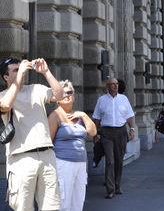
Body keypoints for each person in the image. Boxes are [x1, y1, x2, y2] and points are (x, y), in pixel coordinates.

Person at [0, 56, 64, 211]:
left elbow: (60, 96)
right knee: (23, 207)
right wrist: (19, 77)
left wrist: (46, 72)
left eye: (20, 68)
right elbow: (6, 105)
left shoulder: (36, 89)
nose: (20, 71)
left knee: (52, 207)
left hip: (47, 155)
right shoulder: (3, 95)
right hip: (21, 158)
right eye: (15, 70)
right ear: (5, 76)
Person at [48, 80, 97, 211]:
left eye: (70, 92)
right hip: (63, 164)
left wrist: (84, 115)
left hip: (81, 164)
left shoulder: (79, 115)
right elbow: (48, 142)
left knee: (78, 202)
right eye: (63, 93)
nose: (67, 95)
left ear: (74, 96)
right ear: (57, 98)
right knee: (64, 203)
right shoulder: (55, 116)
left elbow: (93, 132)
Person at [92, 77, 136, 199]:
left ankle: (117, 185)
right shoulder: (101, 100)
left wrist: (132, 129)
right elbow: (96, 118)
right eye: (112, 84)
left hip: (121, 132)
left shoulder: (124, 99)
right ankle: (110, 190)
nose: (115, 86)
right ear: (107, 86)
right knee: (110, 161)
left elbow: (130, 116)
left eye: (116, 84)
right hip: (106, 133)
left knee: (119, 161)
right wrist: (95, 134)